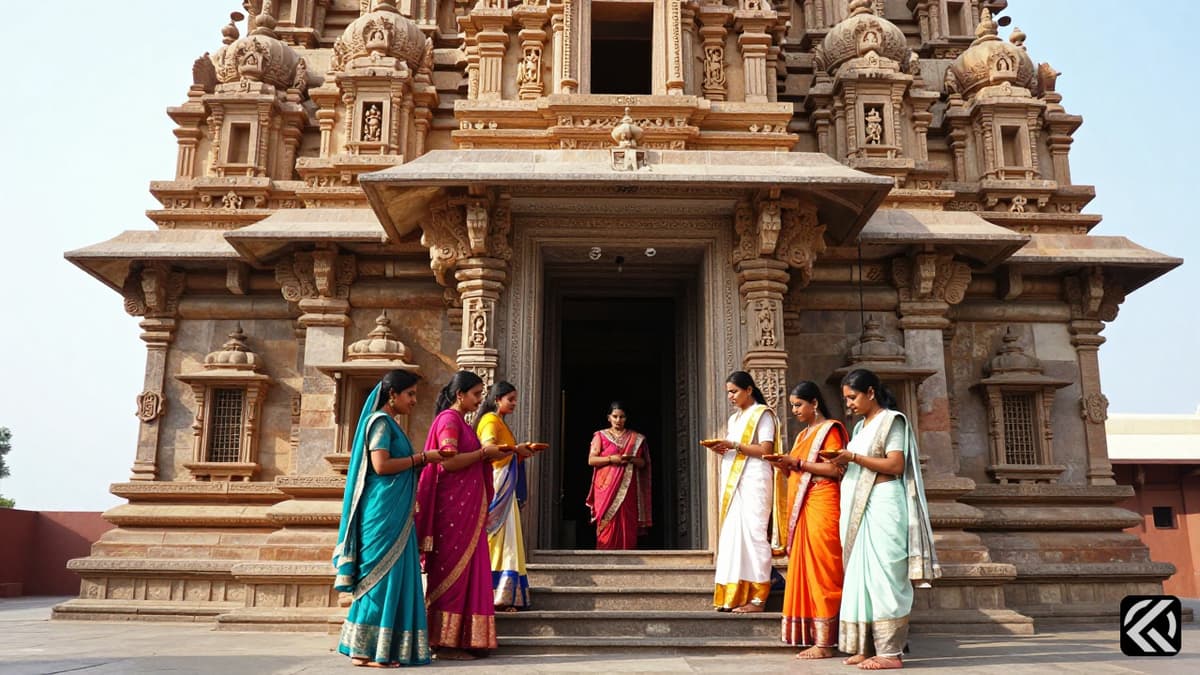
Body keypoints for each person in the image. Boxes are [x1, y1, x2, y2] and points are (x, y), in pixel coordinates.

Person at [828, 368, 939, 670]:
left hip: (884, 505)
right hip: (860, 509)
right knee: (861, 578)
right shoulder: (862, 428)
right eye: (846, 399)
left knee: (885, 576)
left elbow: (895, 465)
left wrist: (853, 458)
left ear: (871, 393)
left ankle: (890, 653)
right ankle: (866, 647)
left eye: (852, 397)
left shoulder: (892, 421)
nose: (848, 404)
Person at [333, 369, 443, 668]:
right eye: (410, 394)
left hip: (395, 512)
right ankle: (362, 651)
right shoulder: (380, 422)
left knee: (394, 577)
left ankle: (383, 648)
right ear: (392, 394)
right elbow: (381, 466)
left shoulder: (391, 424)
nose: (414, 401)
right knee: (377, 578)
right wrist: (422, 458)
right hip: (381, 514)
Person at [415, 371, 508, 660]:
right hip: (453, 514)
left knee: (471, 571)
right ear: (460, 395)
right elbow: (448, 462)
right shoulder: (449, 420)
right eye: (477, 394)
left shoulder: (463, 423)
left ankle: (466, 638)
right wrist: (483, 455)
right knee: (453, 575)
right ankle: (445, 643)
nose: (481, 400)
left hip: (467, 512)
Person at [764, 381, 849, 659]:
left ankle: (826, 642)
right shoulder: (802, 436)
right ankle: (812, 635)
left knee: (825, 568)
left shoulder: (831, 429)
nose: (795, 410)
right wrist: (785, 465)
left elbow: (835, 469)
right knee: (806, 568)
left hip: (823, 502)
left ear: (814, 403)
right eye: (792, 406)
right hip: (803, 505)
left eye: (799, 405)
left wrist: (797, 464)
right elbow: (799, 474)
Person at [706, 371, 785, 613]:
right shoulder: (734, 420)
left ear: (749, 390)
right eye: (728, 392)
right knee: (733, 536)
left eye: (734, 391)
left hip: (755, 479)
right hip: (735, 480)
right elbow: (738, 449)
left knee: (753, 535)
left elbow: (765, 450)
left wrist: (734, 445)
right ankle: (734, 595)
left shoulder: (763, 414)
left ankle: (758, 599)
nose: (730, 396)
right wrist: (725, 449)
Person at [476, 381, 534, 611]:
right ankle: (493, 592)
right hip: (497, 485)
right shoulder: (490, 420)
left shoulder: (500, 422)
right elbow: (488, 448)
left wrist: (518, 454)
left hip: (505, 485)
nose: (514, 403)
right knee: (499, 536)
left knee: (508, 536)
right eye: (510, 399)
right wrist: (515, 450)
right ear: (497, 399)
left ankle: (504, 594)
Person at [585, 402, 651, 550]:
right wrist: (611, 459)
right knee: (606, 523)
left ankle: (628, 557)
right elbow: (591, 460)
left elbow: (643, 463)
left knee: (627, 519)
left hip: (628, 488)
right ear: (609, 418)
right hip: (605, 487)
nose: (618, 420)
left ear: (626, 418)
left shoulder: (636, 437)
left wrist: (631, 459)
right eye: (615, 416)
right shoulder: (600, 436)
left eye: (622, 417)